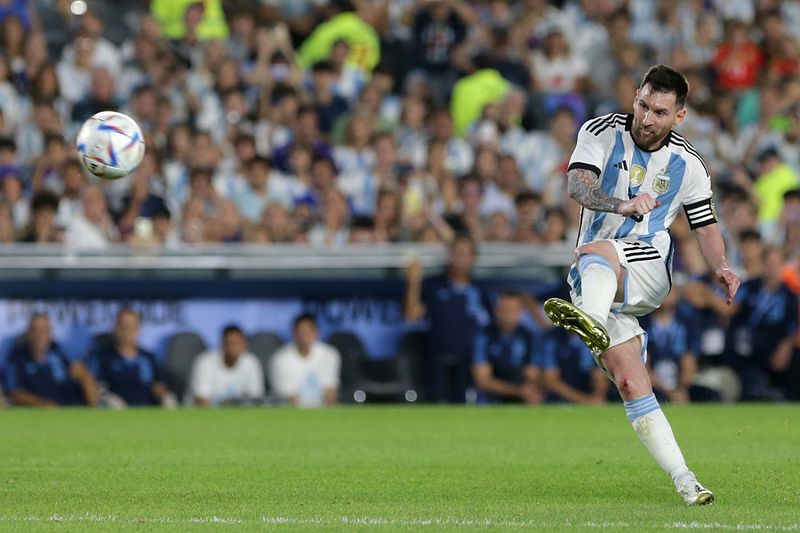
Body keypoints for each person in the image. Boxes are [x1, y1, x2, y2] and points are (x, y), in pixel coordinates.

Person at [543, 65, 741, 506]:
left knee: (600, 251)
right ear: (635, 97)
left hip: (649, 264)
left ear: (679, 117)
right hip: (594, 278)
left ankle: (588, 321)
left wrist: (722, 265)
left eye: (659, 112)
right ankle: (687, 480)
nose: (647, 118)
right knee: (631, 381)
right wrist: (622, 203)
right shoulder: (600, 132)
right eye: (643, 105)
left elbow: (705, 225)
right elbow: (578, 185)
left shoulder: (688, 164)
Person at [404, 234, 492, 403]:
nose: (461, 259)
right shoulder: (434, 285)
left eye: (466, 254)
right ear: (449, 256)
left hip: (470, 360)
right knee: (436, 404)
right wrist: (414, 282)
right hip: (437, 357)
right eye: (457, 253)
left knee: (466, 405)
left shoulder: (480, 289)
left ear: (473, 258)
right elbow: (412, 315)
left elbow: (489, 325)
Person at [5, 313, 99, 406]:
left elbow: (82, 372)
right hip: (37, 413)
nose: (39, 335)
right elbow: (15, 392)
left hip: (68, 411)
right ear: (28, 333)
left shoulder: (62, 353)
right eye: (35, 330)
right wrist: (43, 405)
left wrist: (84, 376)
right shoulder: (18, 357)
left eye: (44, 331)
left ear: (50, 334)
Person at [89, 308, 176, 407]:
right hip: (115, 409)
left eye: (132, 327)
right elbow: (95, 386)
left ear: (138, 329)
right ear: (115, 328)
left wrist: (162, 393)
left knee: (169, 400)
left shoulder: (148, 358)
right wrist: (106, 398)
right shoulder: (103, 356)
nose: (127, 332)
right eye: (123, 327)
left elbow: (159, 384)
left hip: (145, 409)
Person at [471, 292, 542, 404]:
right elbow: (482, 380)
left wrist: (528, 390)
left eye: (513, 309)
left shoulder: (528, 337)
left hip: (521, 395)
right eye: (503, 309)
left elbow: (532, 374)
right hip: (491, 398)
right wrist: (517, 391)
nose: (507, 313)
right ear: (496, 310)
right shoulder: (484, 336)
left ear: (521, 312)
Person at [269, 313, 341, 407]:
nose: (304, 336)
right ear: (294, 333)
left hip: (323, 412)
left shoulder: (330, 354)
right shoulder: (280, 359)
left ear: (316, 332)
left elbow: (331, 392)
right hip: (291, 414)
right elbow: (288, 398)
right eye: (301, 332)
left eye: (308, 331)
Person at [186, 325, 264, 406]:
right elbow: (201, 400)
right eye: (231, 343)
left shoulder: (251, 362)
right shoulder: (205, 362)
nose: (235, 347)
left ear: (245, 345)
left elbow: (256, 399)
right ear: (223, 345)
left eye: (238, 343)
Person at [539, 327, 609, 405]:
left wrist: (598, 396)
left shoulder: (595, 336)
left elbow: (600, 372)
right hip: (562, 395)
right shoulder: (552, 337)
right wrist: (585, 401)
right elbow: (551, 380)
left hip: (589, 388)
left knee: (600, 374)